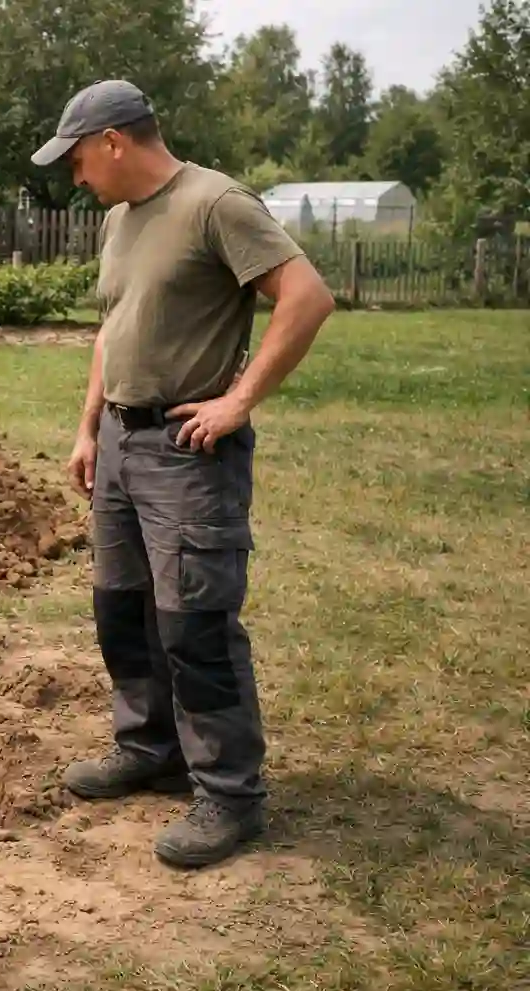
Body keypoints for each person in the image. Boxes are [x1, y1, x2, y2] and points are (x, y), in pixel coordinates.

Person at [31, 80, 336, 868]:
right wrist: (87, 426)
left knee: (195, 623)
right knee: (122, 612)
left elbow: (307, 295)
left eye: (77, 160)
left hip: (186, 451)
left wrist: (237, 400)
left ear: (113, 141)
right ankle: (150, 749)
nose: (75, 177)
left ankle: (230, 795)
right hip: (121, 448)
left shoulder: (216, 204)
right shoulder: (119, 222)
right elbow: (113, 327)